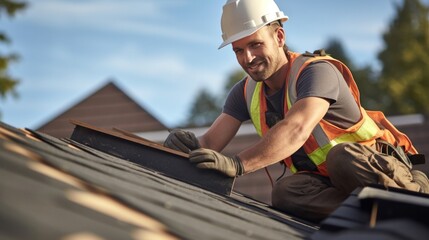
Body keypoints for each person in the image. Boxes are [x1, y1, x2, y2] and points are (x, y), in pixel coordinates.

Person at [164, 0, 428, 222]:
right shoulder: (245, 93)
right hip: (334, 186)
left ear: (279, 37)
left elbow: (297, 128)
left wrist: (238, 164)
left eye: (255, 44)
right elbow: (210, 143)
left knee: (340, 157)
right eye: (238, 50)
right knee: (285, 192)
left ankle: (413, 207)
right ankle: (366, 218)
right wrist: (182, 148)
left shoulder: (315, 72)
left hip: (387, 174)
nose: (248, 58)